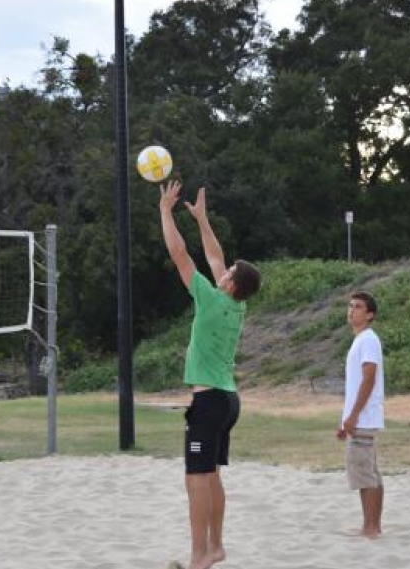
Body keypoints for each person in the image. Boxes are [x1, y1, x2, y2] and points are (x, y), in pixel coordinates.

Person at [159, 179, 261, 569]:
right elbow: (215, 257)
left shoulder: (209, 298)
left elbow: (180, 254)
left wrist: (166, 212)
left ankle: (199, 555)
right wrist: (201, 219)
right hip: (227, 399)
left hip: (210, 400)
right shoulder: (236, 306)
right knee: (207, 475)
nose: (224, 268)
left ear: (231, 283)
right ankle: (215, 546)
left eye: (230, 270)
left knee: (198, 478)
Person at [336, 291, 385, 539]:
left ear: (369, 314)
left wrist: (354, 415)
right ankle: (373, 525)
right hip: (360, 418)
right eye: (350, 306)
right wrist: (344, 420)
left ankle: (371, 527)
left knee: (365, 476)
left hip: (363, 418)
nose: (351, 310)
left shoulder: (367, 339)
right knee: (370, 473)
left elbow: (369, 377)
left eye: (358, 307)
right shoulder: (362, 340)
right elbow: (356, 384)